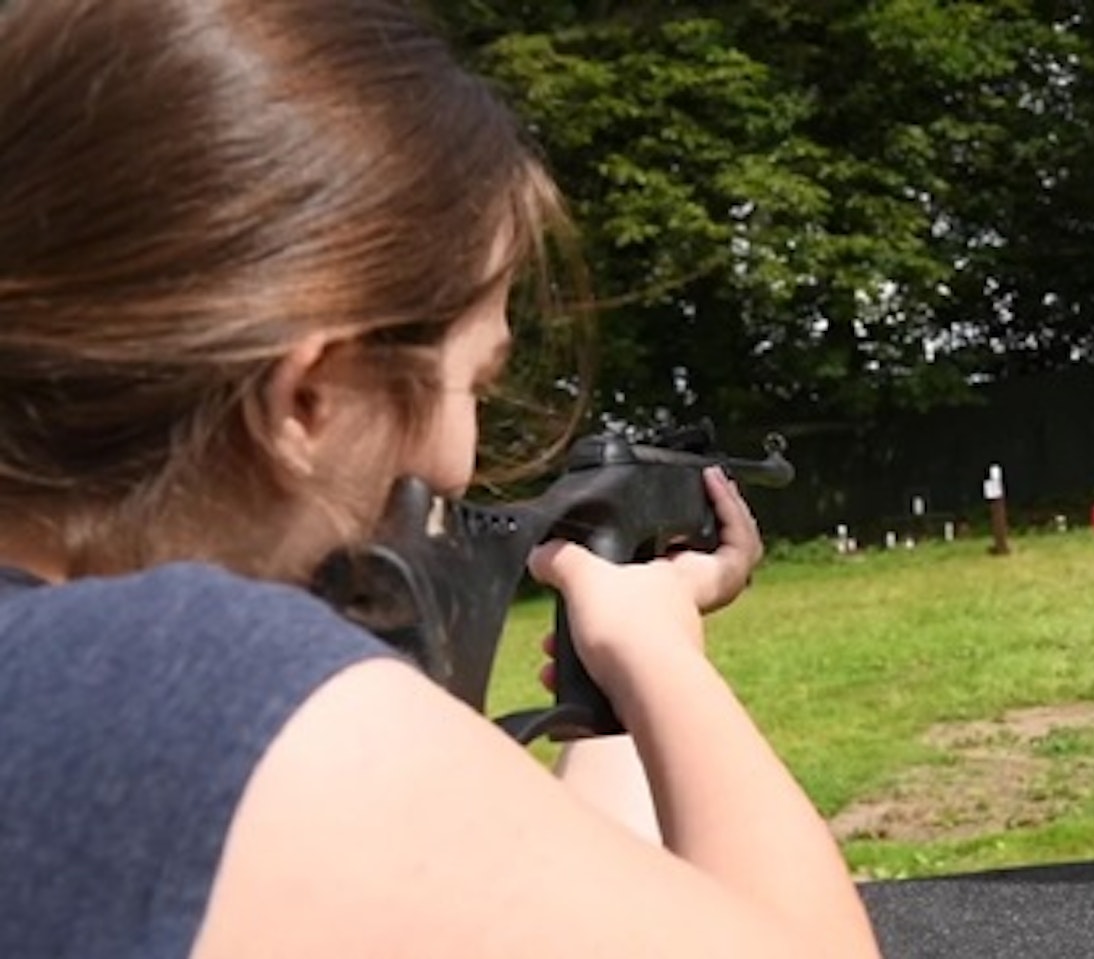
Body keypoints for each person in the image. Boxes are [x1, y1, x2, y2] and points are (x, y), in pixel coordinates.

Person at [0, 1, 882, 956]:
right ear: (311, 397)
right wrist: (665, 659)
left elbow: (521, 898)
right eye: (477, 381)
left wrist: (616, 677)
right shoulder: (199, 685)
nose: (459, 462)